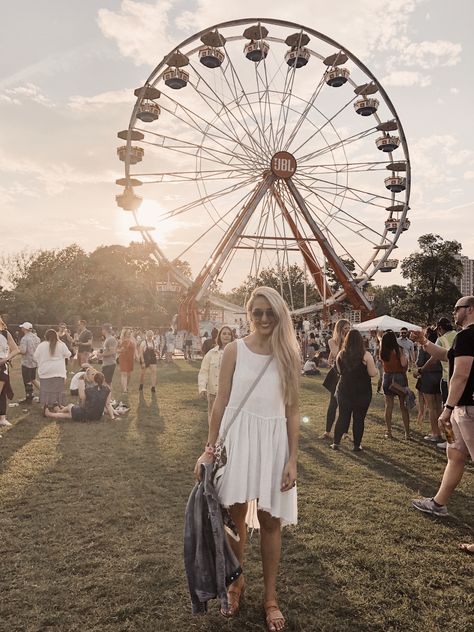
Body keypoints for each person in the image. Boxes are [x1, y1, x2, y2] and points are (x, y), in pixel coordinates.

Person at [194, 286, 300, 631]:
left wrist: (292, 459)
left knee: (271, 522)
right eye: (258, 312)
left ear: (280, 314)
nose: (265, 319)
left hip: (273, 443)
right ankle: (236, 582)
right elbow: (220, 402)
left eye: (271, 312)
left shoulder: (288, 354)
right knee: (234, 518)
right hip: (237, 440)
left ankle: (271, 598)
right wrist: (209, 449)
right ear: (248, 314)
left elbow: (293, 409)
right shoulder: (233, 350)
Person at [411, 296, 474, 527]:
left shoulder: (467, 336)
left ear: (469, 310)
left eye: (457, 308)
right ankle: (438, 503)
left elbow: (461, 374)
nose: (454, 313)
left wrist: (447, 408)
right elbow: (447, 356)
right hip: (461, 411)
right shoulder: (462, 338)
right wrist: (424, 342)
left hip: (467, 409)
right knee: (455, 454)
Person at [331, 330, 377, 451]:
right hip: (362, 391)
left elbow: (340, 371)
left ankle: (336, 443)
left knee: (342, 416)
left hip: (344, 390)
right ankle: (357, 445)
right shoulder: (366, 355)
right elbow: (372, 373)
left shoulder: (341, 354)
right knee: (359, 418)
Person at [320, 319, 351, 440]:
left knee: (346, 405)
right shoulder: (332, 341)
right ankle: (327, 431)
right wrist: (344, 341)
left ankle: (345, 432)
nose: (348, 330)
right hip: (336, 375)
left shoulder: (350, 341)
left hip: (347, 375)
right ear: (339, 329)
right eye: (345, 328)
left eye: (349, 328)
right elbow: (337, 353)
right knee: (333, 404)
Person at [198, 325, 234, 424]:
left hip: (230, 394)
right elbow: (204, 371)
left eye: (229, 334)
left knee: (228, 421)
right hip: (213, 394)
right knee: (214, 420)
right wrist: (202, 388)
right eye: (224, 333)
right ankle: (213, 439)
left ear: (232, 337)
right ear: (219, 336)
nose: (226, 336)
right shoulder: (211, 353)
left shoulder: (236, 353)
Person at [44, 372, 116, 421]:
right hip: (97, 416)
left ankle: (58, 411)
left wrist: (81, 381)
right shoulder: (107, 390)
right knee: (70, 415)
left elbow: (82, 400)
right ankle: (51, 414)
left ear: (94, 380)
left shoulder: (89, 390)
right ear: (103, 380)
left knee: (70, 406)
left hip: (85, 413)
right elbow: (108, 405)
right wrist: (112, 417)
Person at [414, 326, 443, 443]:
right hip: (440, 377)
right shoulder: (440, 345)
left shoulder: (424, 347)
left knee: (431, 408)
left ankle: (435, 433)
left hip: (427, 378)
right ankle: (448, 436)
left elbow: (419, 362)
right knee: (440, 407)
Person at [380, 330, 410, 439]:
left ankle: (389, 432)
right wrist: (406, 358)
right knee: (403, 406)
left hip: (387, 377)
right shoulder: (399, 350)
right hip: (399, 377)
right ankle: (407, 433)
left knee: (388, 406)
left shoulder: (382, 351)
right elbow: (403, 363)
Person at [33, 329, 71, 413]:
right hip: (58, 371)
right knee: (57, 389)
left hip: (45, 371)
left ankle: (46, 405)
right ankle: (56, 404)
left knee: (46, 388)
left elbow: (35, 357)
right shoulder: (61, 345)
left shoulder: (42, 345)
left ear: (45, 337)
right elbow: (68, 354)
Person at [0, 317, 20, 427]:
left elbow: (16, 349)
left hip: (2, 366)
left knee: (2, 393)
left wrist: (6, 359)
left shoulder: (5, 333)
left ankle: (2, 418)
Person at [18, 321, 40, 404]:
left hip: (27, 362)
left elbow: (23, 351)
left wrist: (17, 351)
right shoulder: (36, 338)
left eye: (22, 327)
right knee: (32, 379)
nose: (21, 329)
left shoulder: (24, 338)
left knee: (27, 380)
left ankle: (29, 397)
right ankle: (44, 393)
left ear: (25, 329)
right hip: (34, 362)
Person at [118, 328, 135, 393]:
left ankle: (126, 386)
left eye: (130, 333)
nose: (129, 334)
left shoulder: (132, 340)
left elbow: (135, 348)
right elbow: (116, 350)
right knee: (124, 373)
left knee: (129, 375)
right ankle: (124, 390)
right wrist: (121, 350)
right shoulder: (121, 340)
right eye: (128, 333)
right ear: (125, 334)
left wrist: (137, 356)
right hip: (123, 358)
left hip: (130, 359)